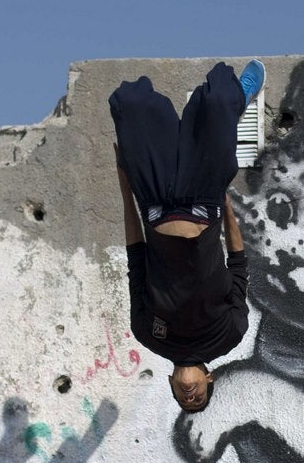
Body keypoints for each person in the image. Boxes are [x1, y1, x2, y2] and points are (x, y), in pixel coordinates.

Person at [109, 60, 265, 412]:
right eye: (197, 398)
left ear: (172, 385)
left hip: (154, 197)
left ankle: (228, 109)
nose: (189, 396)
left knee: (130, 102)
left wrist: (125, 186)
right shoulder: (230, 335)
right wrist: (225, 203)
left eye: (183, 399)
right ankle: (240, 97)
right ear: (209, 379)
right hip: (203, 197)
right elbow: (238, 264)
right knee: (217, 100)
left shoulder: (147, 333)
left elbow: (136, 256)